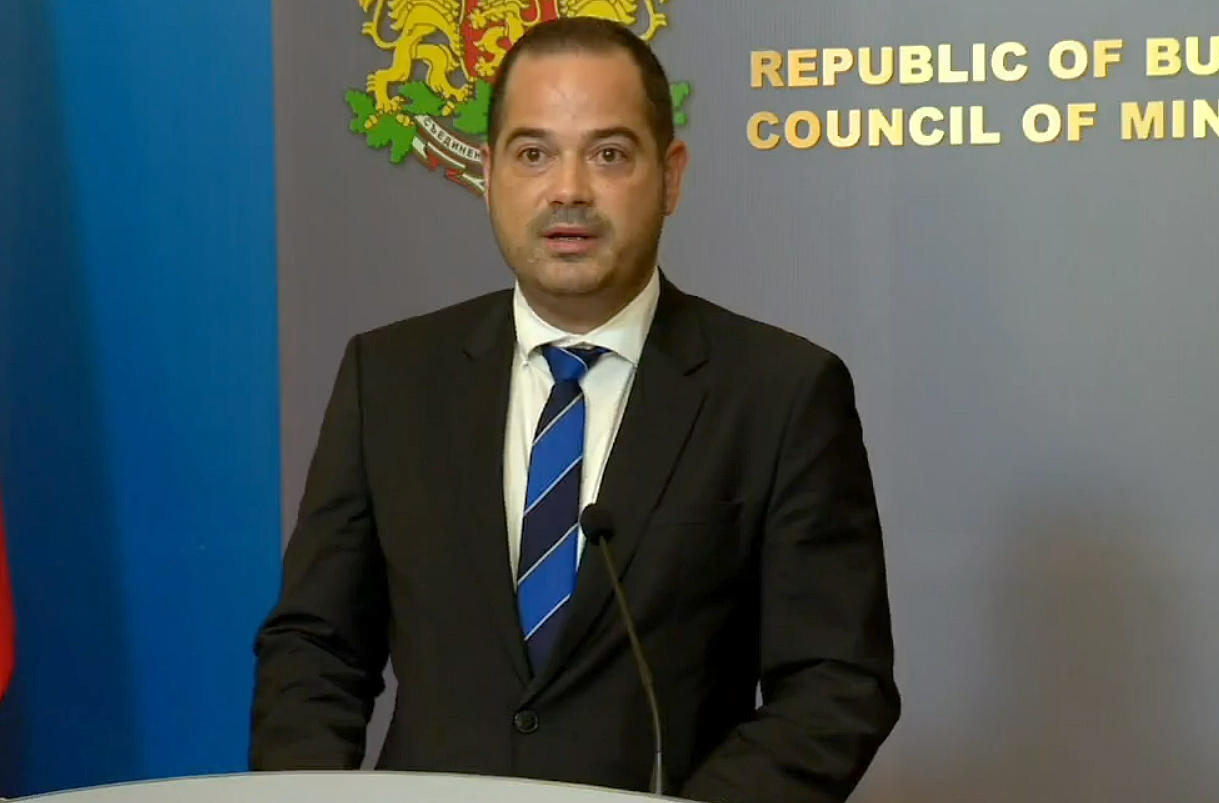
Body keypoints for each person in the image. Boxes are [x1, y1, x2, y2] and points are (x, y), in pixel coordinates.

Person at [250, 16, 899, 803]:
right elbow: (316, 647)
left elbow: (835, 683)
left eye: (609, 154)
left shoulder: (780, 391)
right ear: (489, 173)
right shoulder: (389, 378)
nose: (568, 190)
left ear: (672, 176)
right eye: (534, 154)